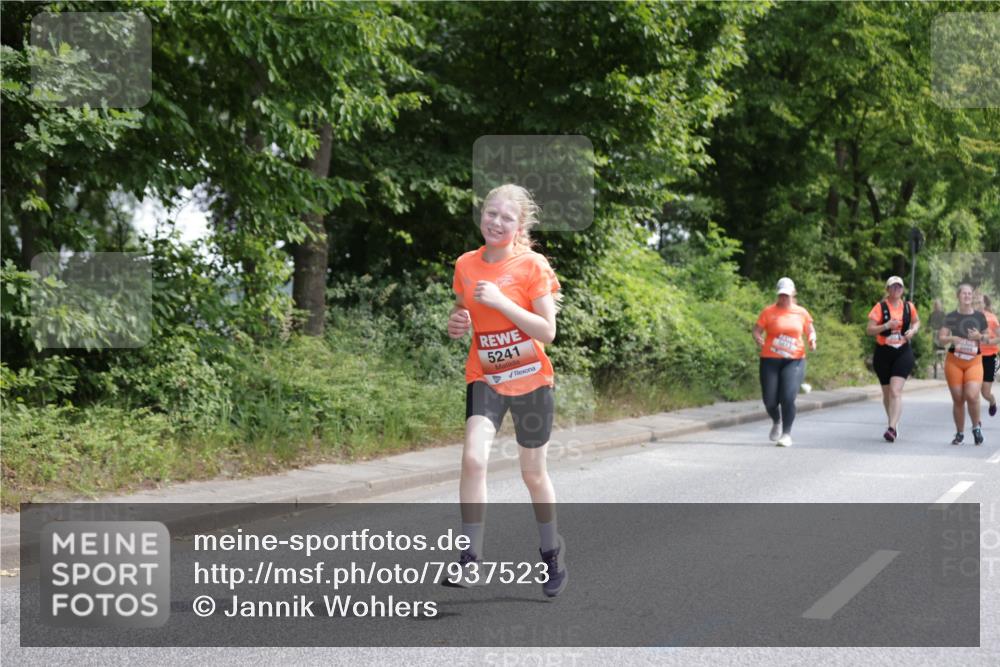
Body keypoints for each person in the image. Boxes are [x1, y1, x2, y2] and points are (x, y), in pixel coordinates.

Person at [445, 183, 567, 596]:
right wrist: (456, 322)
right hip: (486, 377)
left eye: (506, 217)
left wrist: (501, 302)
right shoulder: (466, 263)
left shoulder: (532, 266)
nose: (496, 222)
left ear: (519, 226)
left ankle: (551, 551)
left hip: (532, 380)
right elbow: (463, 310)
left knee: (532, 474)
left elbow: (547, 331)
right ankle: (470, 557)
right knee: (473, 460)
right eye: (490, 213)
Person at [752, 277, 817, 447]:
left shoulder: (801, 312)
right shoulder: (768, 312)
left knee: (787, 397)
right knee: (770, 401)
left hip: (794, 360)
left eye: (787, 295)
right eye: (781, 295)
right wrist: (758, 337)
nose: (783, 298)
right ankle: (776, 420)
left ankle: (786, 433)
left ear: (793, 294)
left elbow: (810, 329)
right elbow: (757, 330)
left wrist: (812, 339)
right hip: (770, 360)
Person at [865, 276, 920, 442]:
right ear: (888, 289)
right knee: (887, 394)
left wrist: (913, 331)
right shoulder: (880, 307)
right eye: (893, 287)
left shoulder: (909, 307)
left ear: (902, 290)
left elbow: (917, 322)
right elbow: (869, 330)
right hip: (883, 353)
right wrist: (885, 326)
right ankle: (893, 423)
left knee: (896, 391)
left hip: (902, 351)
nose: (896, 290)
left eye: (899, 287)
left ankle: (891, 427)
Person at [939, 283, 988, 446]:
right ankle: (959, 433)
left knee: (972, 395)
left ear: (972, 297)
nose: (967, 296)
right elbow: (942, 338)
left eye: (969, 293)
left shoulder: (980, 317)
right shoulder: (951, 316)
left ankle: (976, 427)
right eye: (964, 293)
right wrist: (953, 339)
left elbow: (988, 338)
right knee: (958, 399)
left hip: (974, 361)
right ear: (958, 296)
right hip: (954, 361)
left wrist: (979, 336)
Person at [974, 292, 998, 418]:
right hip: (975, 357)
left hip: (989, 357)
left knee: (985, 392)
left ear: (984, 304)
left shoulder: (992, 318)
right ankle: (976, 421)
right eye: (975, 301)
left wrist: (985, 339)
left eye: (979, 302)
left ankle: (992, 401)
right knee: (973, 390)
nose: (977, 304)